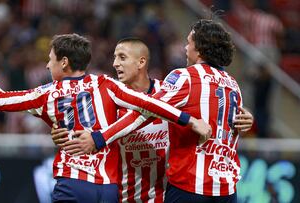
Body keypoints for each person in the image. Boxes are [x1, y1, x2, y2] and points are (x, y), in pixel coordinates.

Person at [0, 33, 211, 202]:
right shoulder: (105, 84)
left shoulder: (46, 93)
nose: (47, 65)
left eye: (50, 59)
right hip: (109, 188)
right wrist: (189, 120)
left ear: (64, 62)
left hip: (73, 183)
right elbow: (150, 104)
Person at [60, 19, 248, 203]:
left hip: (188, 185)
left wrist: (99, 138)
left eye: (188, 43)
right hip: (226, 188)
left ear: (198, 49)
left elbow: (147, 109)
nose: (184, 48)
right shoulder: (233, 85)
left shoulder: (183, 78)